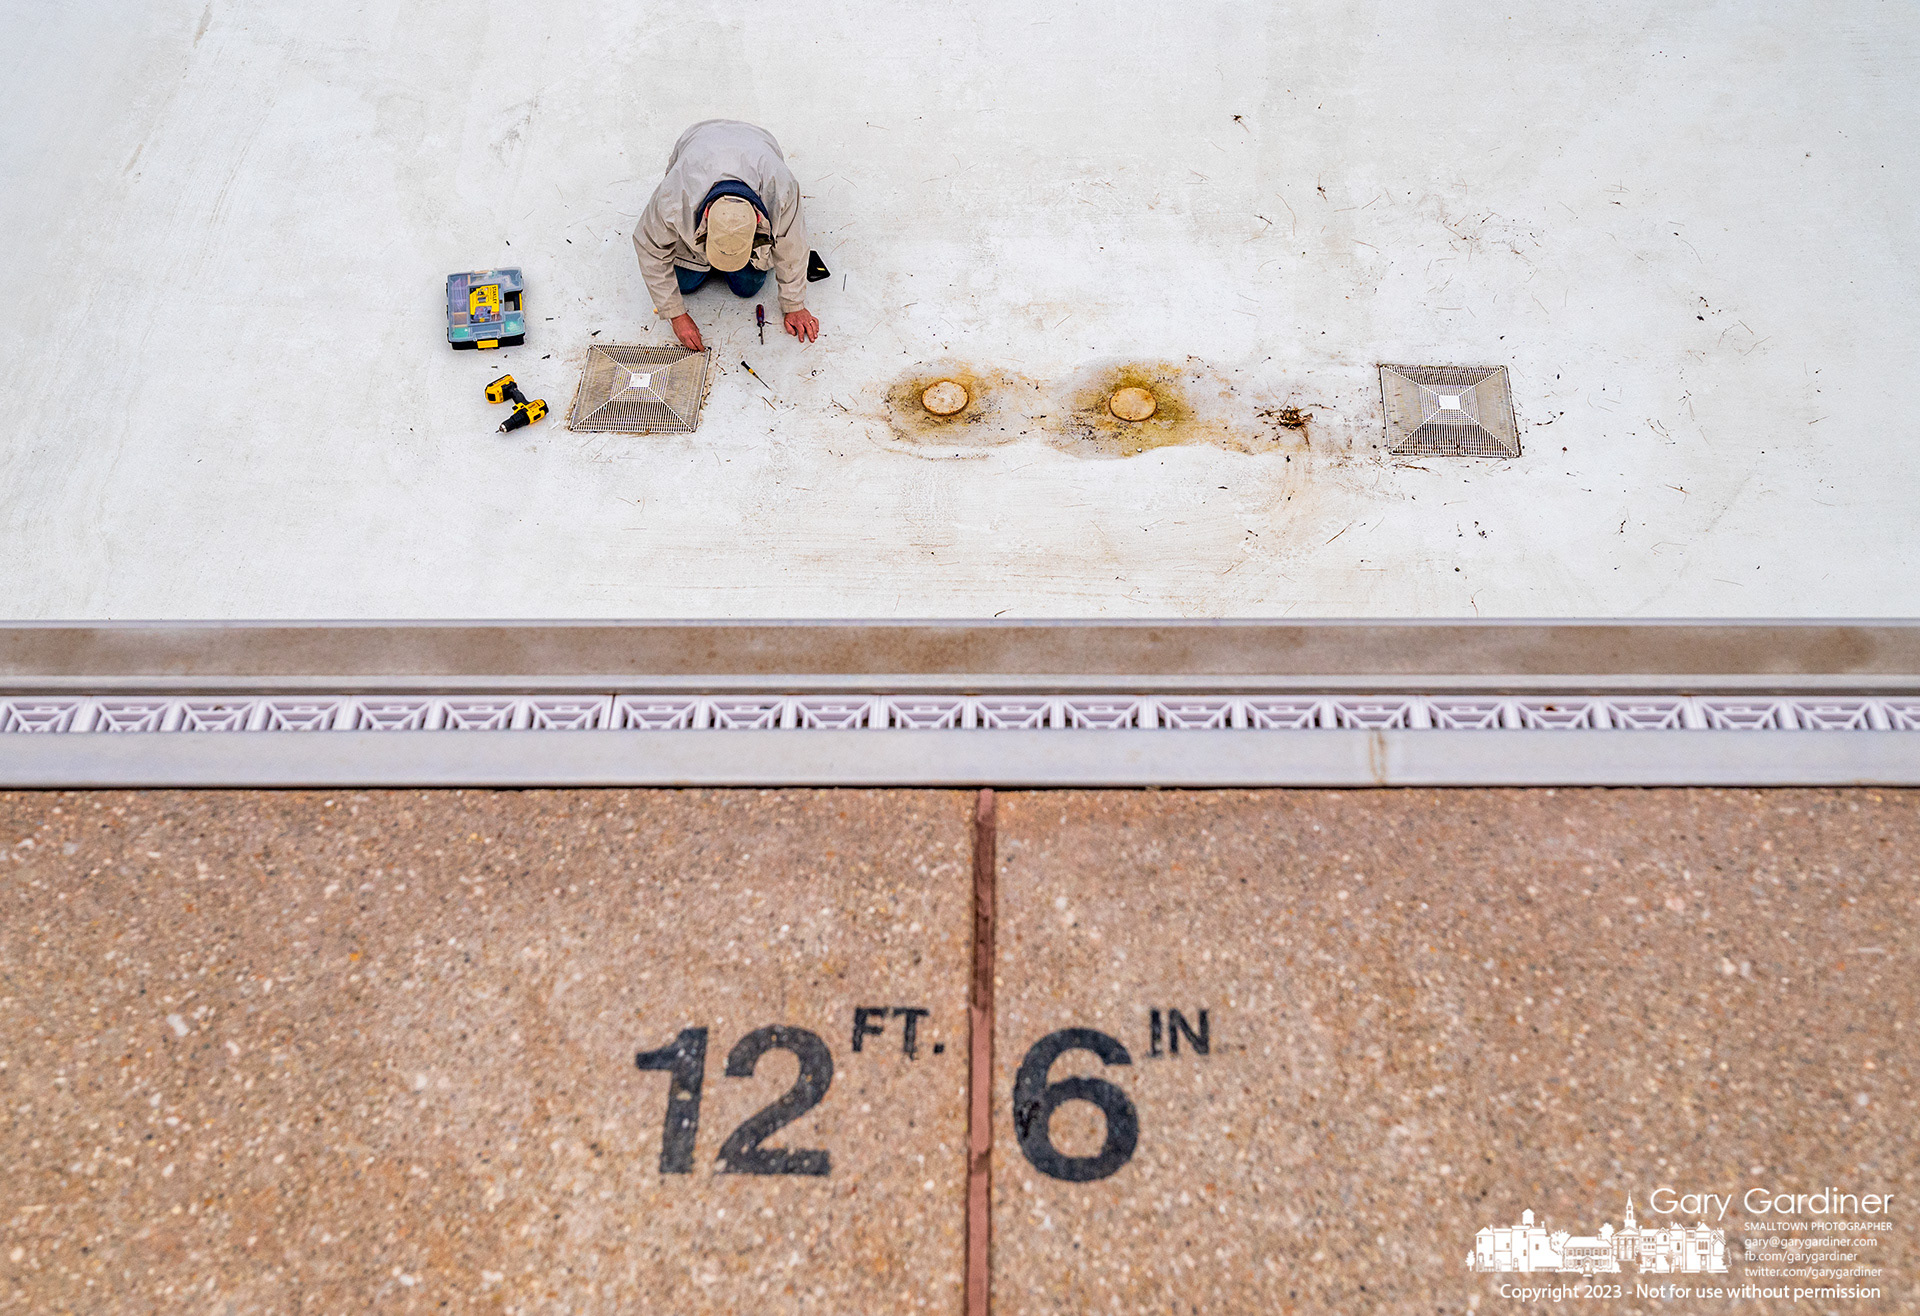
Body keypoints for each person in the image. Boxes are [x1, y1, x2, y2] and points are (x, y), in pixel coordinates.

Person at [632, 119, 820, 351]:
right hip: (699, 140)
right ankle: (699, 261)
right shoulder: (674, 195)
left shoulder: (781, 190)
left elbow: (792, 246)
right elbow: (650, 248)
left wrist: (794, 305)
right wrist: (676, 315)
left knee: (747, 287)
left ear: (758, 219)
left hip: (758, 142)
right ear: (707, 214)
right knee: (684, 283)